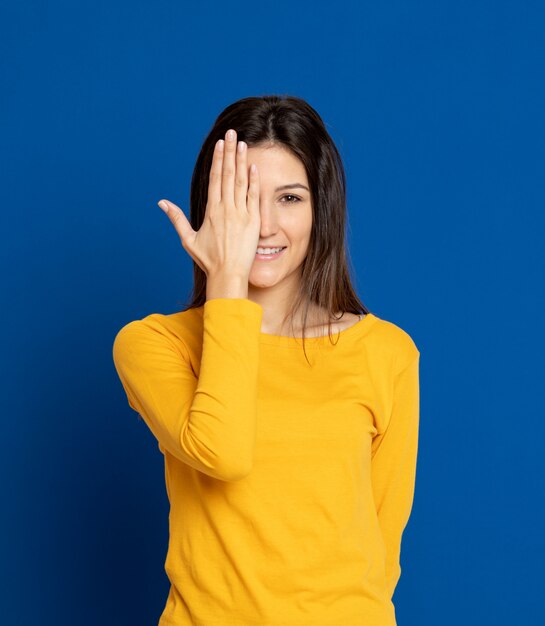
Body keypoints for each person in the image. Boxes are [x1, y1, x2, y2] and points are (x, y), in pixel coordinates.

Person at [112, 95, 420, 626]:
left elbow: (380, 547)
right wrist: (226, 281)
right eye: (244, 198)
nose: (266, 225)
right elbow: (222, 451)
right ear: (212, 207)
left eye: (290, 198)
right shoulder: (156, 344)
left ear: (322, 207)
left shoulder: (386, 352)